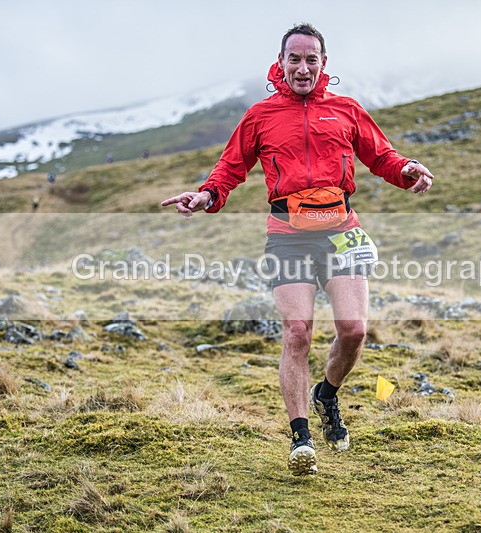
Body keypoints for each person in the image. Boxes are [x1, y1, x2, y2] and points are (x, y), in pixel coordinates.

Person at [161, 23, 433, 476]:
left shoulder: (345, 109)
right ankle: (301, 437)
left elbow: (380, 155)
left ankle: (326, 394)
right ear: (281, 62)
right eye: (295, 58)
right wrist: (204, 196)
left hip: (341, 229)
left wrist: (406, 169)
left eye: (312, 59)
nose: (303, 67)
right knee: (297, 333)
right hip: (287, 233)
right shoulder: (260, 115)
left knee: (353, 331)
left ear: (323, 64)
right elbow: (229, 170)